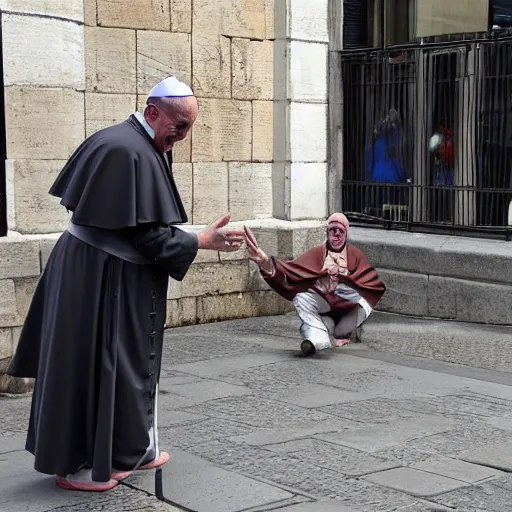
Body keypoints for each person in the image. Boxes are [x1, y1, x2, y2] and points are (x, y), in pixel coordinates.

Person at [7, 75, 245, 492]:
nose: (182, 137)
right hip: (96, 279)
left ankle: (132, 449)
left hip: (115, 275)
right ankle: (79, 466)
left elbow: (143, 224)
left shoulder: (141, 143)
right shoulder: (123, 148)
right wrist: (202, 241)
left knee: (131, 363)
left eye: (188, 127)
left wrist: (195, 240)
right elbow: (144, 234)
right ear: (152, 112)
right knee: (95, 365)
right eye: (180, 125)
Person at [244, 213, 385, 356]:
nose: (336, 235)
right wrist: (264, 262)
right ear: (327, 232)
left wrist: (344, 278)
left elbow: (370, 282)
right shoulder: (317, 253)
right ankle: (317, 340)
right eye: (333, 230)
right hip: (323, 301)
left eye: (340, 231)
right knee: (301, 299)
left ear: (346, 233)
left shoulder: (355, 254)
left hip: (347, 305)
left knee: (364, 302)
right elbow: (291, 270)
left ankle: (341, 331)